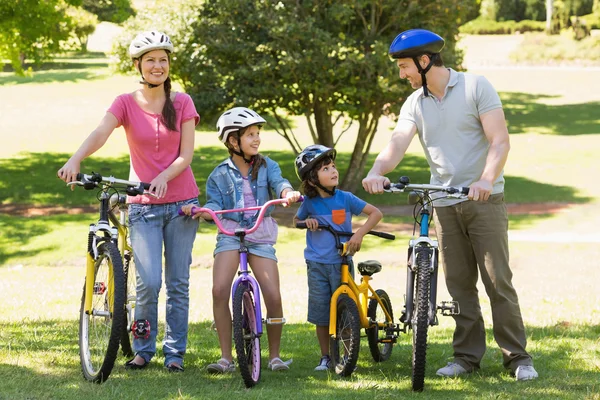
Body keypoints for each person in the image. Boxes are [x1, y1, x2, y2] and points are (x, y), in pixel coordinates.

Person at [362, 29, 538, 381]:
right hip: (442, 203)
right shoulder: (415, 103)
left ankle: (518, 358)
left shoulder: (476, 87)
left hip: (483, 200)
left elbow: (499, 141)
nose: (402, 74)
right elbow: (397, 143)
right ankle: (466, 357)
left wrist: (486, 179)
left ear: (425, 62)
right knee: (458, 285)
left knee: (497, 281)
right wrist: (377, 170)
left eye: (404, 66)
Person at [57, 30, 200, 372]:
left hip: (181, 204)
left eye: (163, 60)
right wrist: (76, 158)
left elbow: (187, 155)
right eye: (150, 60)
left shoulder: (182, 103)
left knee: (177, 283)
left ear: (169, 65)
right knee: (148, 283)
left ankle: (175, 353)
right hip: (143, 206)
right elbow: (101, 132)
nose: (157, 66)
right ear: (138, 64)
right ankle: (143, 349)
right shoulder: (124, 102)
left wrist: (163, 178)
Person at [181, 107, 301, 373]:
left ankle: (275, 356)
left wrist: (288, 192)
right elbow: (214, 202)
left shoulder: (267, 165)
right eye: (250, 135)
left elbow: (279, 183)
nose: (256, 139)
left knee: (272, 293)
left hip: (259, 233)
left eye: (257, 134)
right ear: (233, 141)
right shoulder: (218, 174)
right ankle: (226, 358)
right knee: (219, 290)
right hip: (230, 233)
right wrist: (203, 212)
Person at [293, 145, 383, 371]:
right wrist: (307, 222)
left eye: (333, 166)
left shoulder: (346, 198)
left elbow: (376, 213)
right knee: (321, 313)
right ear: (312, 179)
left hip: (341, 262)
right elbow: (295, 221)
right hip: (316, 265)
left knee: (346, 311)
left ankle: (346, 355)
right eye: (325, 168)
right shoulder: (309, 202)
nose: (333, 171)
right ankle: (325, 357)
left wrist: (358, 234)